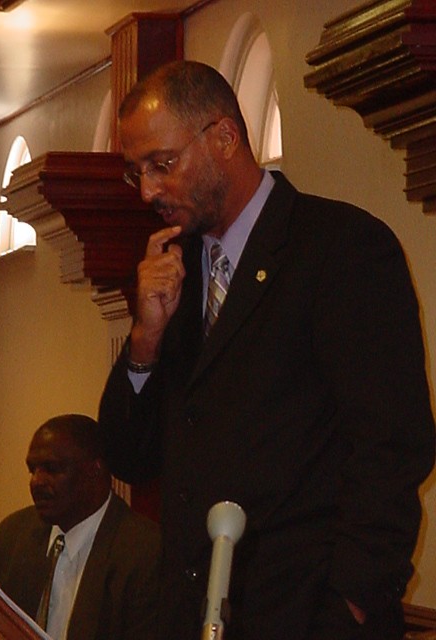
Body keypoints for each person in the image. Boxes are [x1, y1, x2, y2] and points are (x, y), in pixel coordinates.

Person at [97, 60, 435, 640]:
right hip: (193, 616)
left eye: (163, 164)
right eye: (137, 173)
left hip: (308, 616)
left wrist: (348, 605)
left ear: (225, 137)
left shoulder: (339, 248)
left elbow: (392, 448)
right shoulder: (175, 270)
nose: (149, 189)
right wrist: (145, 341)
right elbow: (130, 459)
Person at [0, 414, 161, 640]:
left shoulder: (144, 550)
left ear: (94, 470)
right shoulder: (12, 535)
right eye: (32, 469)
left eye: (52, 469)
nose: (37, 481)